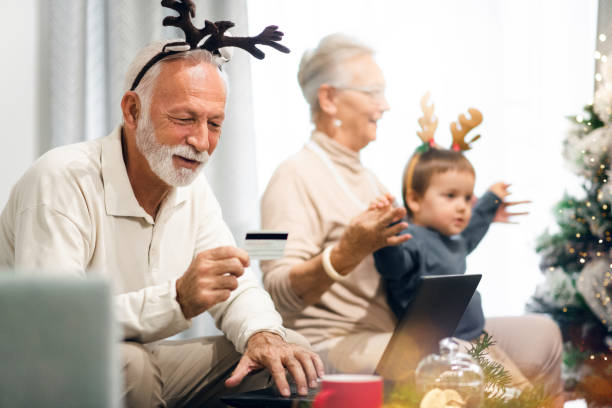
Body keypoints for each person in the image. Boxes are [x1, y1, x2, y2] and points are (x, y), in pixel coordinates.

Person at [0, 17, 324, 408]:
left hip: (139, 365)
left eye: (214, 123)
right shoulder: (62, 178)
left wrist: (262, 335)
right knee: (130, 367)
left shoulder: (192, 189)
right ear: (132, 110)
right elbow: (56, 322)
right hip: (41, 369)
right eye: (185, 119)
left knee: (293, 355)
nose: (202, 142)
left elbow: (233, 284)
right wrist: (176, 301)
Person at [260, 33, 563, 405]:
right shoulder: (290, 177)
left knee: (542, 333)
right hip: (335, 345)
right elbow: (274, 291)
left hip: (405, 334)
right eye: (372, 92)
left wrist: (478, 212)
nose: (385, 105)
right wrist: (345, 252)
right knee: (459, 362)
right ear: (329, 98)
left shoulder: (371, 180)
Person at [372, 146, 564, 401]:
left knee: (525, 394)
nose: (463, 207)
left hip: (477, 339)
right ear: (415, 200)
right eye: (450, 196)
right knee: (514, 398)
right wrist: (387, 235)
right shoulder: (411, 239)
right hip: (446, 346)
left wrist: (491, 198)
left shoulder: (456, 240)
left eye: (466, 197)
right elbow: (393, 267)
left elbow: (476, 225)